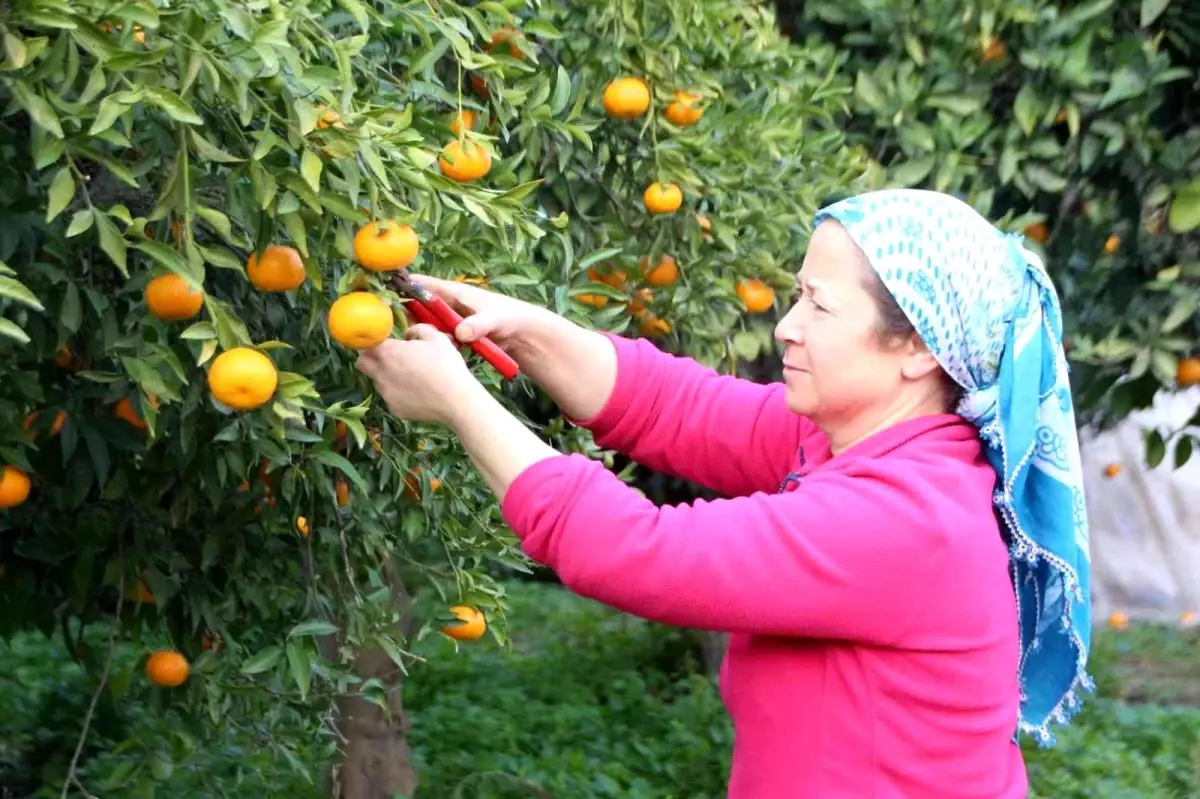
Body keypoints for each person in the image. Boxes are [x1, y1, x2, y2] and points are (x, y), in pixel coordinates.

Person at [355, 188, 1093, 798]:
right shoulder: (859, 440)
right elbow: (677, 408)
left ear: (918, 347)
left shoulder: (908, 518)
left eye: (820, 307)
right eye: (797, 296)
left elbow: (637, 551)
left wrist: (459, 400)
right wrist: (526, 330)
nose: (787, 327)